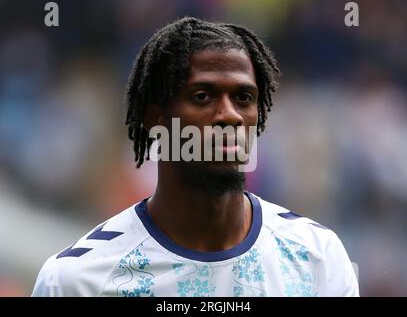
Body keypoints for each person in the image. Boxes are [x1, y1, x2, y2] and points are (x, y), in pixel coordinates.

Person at [32, 17, 359, 297]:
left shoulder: (315, 259)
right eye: (202, 96)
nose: (229, 115)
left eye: (243, 97)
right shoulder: (79, 281)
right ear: (155, 118)